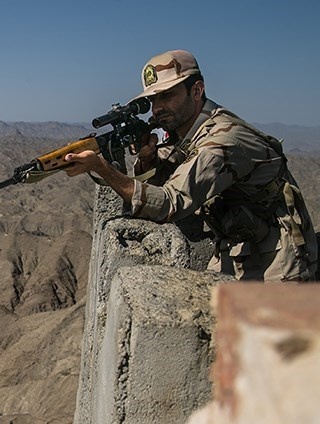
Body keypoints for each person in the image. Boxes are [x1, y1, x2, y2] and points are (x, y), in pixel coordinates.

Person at [63, 50, 317, 281]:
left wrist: (102, 169)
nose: (157, 107)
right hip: (237, 248)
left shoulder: (221, 141)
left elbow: (167, 204)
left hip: (279, 260)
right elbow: (170, 178)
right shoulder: (186, 131)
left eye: (167, 95)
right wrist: (148, 158)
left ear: (197, 91)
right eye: (153, 99)